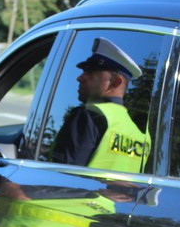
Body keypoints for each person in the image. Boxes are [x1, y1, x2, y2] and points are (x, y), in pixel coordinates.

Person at [52, 37, 150, 173]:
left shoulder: (89, 116)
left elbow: (61, 181)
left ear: (115, 82)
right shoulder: (141, 135)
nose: (80, 77)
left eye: (90, 72)